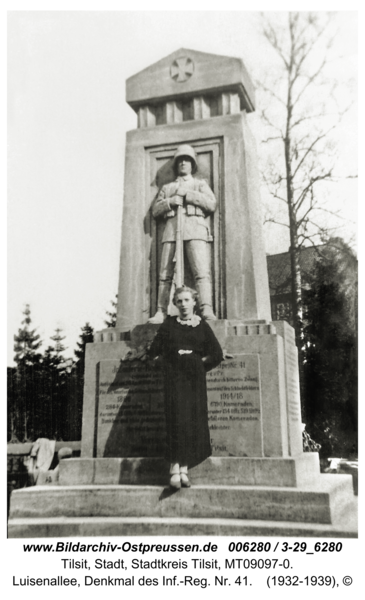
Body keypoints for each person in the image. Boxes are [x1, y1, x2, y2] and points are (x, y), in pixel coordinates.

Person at [148, 286, 223, 489]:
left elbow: (217, 354)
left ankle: (184, 469)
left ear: (194, 302)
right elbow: (153, 352)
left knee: (191, 422)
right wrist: (170, 363)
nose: (183, 304)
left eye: (186, 300)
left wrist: (197, 364)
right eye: (179, 301)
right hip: (174, 379)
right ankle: (174, 469)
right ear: (174, 303)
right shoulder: (169, 325)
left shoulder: (202, 326)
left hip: (195, 380)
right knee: (176, 420)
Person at [148, 144, 217, 324]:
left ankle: (206, 308)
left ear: (192, 164)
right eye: (180, 160)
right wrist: (171, 201)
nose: (183, 163)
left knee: (201, 271)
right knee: (165, 274)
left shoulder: (199, 184)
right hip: (171, 231)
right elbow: (156, 210)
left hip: (196, 229)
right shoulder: (168, 187)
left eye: (186, 160)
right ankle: (161, 311)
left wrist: (189, 195)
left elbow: (211, 204)